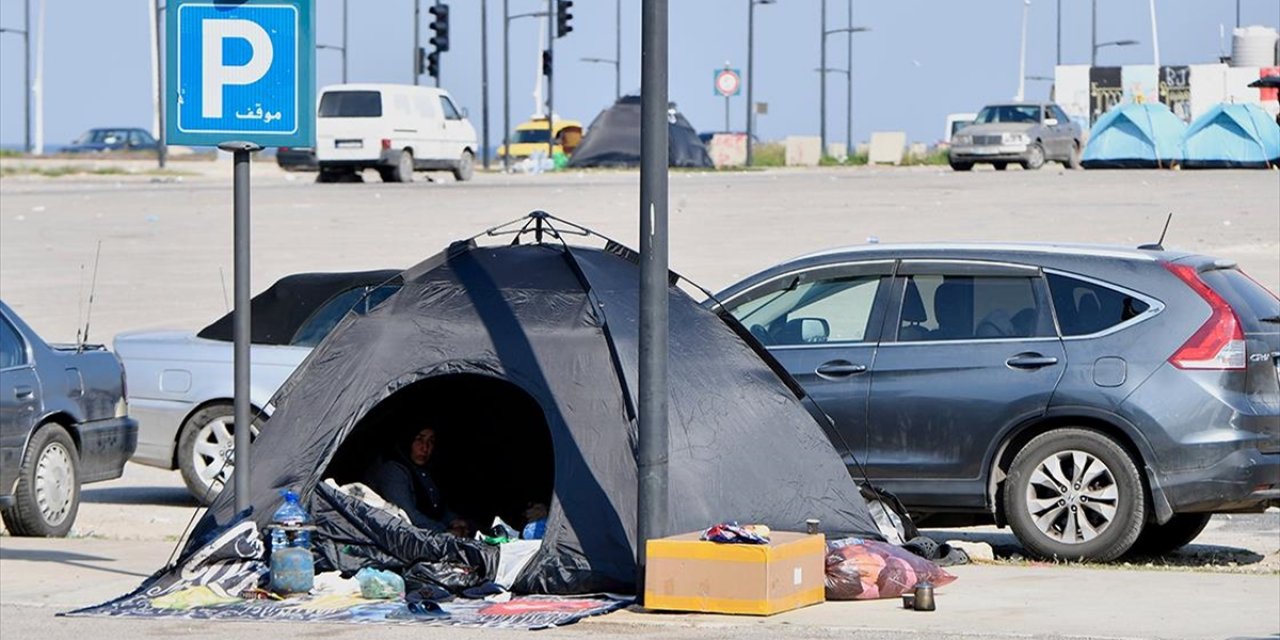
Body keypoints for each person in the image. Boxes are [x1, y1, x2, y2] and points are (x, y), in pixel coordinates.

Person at [364, 426, 468, 536]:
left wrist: (453, 520)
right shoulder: (392, 469)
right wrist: (445, 533)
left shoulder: (424, 468)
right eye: (419, 439)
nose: (425, 448)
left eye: (431, 441)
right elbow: (409, 516)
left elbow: (436, 506)